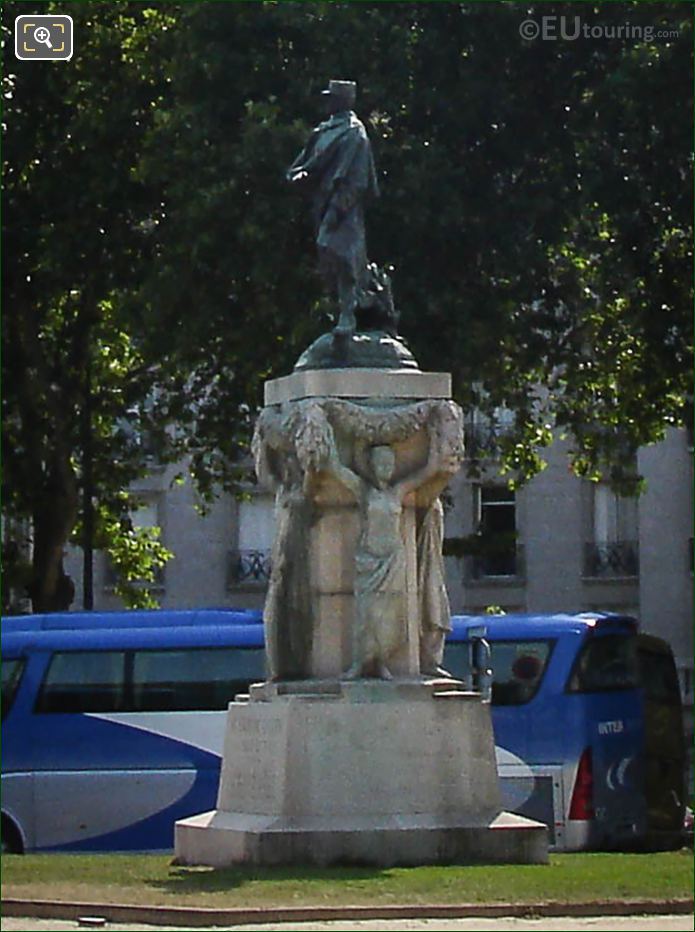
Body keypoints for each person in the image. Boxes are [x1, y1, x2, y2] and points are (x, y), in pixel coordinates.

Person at [287, 79, 379, 337]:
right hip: (321, 202)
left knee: (343, 254)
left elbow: (358, 178)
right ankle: (345, 308)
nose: (327, 103)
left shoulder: (354, 132)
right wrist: (300, 176)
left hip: (343, 204)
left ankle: (350, 312)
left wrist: (339, 207)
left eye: (331, 98)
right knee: (328, 256)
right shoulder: (323, 131)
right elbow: (300, 166)